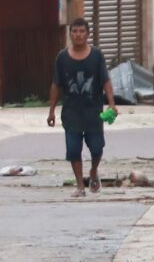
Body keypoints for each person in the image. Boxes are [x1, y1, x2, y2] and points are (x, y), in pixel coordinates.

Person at [47, 17, 117, 197]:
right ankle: (80, 185)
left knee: (97, 148)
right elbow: (56, 85)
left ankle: (93, 172)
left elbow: (105, 81)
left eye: (81, 31)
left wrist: (111, 104)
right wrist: (51, 111)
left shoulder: (96, 56)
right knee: (72, 149)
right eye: (74, 31)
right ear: (70, 34)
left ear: (87, 34)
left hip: (93, 111)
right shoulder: (62, 58)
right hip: (71, 112)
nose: (78, 35)